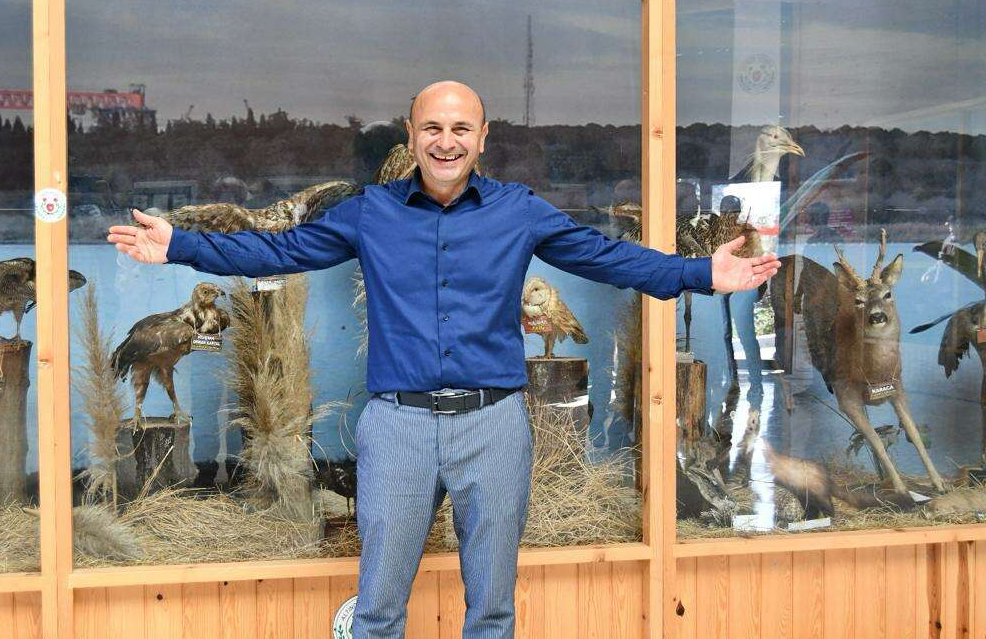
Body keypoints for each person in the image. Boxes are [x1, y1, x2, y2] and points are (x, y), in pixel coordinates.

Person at [107, 81, 780, 639]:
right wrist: (180, 246)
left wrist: (702, 274)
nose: (446, 141)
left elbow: (606, 257)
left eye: (461, 128)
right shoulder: (370, 212)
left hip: (494, 426)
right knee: (377, 613)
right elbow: (279, 252)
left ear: (482, 138)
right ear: (411, 135)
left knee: (491, 613)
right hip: (398, 426)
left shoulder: (519, 211)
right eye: (432, 127)